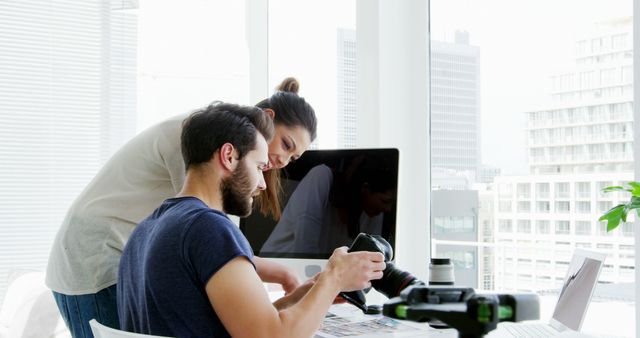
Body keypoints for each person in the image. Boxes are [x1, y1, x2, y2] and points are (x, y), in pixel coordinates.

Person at [45, 78, 316, 337]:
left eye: (293, 157)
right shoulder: (200, 144)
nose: (282, 160)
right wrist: (299, 279)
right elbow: (215, 244)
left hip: (118, 252)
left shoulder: (210, 161)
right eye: (286, 145)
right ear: (228, 154)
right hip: (93, 258)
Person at [117, 102, 385, 337]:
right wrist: (335, 277)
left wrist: (305, 295)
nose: (263, 185)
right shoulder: (208, 228)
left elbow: (235, 326)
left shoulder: (145, 231)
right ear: (229, 156)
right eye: (259, 167)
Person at [261, 154, 397, 254]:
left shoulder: (374, 212)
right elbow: (305, 247)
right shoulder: (321, 177)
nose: (387, 209)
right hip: (276, 267)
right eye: (385, 201)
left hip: (318, 278)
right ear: (365, 189)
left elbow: (371, 259)